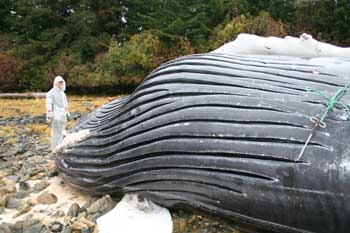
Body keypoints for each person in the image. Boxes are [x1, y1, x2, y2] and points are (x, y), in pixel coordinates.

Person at [46, 76, 70, 151]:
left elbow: (65, 105)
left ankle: (60, 147)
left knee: (62, 131)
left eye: (61, 83)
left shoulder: (63, 94)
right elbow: (49, 103)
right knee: (56, 132)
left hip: (62, 116)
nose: (61, 84)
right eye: (59, 83)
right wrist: (50, 113)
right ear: (55, 83)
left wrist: (67, 113)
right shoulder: (51, 93)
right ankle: (56, 148)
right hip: (56, 115)